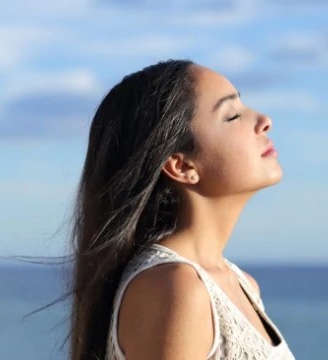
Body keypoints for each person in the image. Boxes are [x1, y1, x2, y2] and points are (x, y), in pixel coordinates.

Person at [69, 59, 295, 360]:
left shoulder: (240, 284)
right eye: (232, 116)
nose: (264, 120)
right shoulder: (175, 287)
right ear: (182, 165)